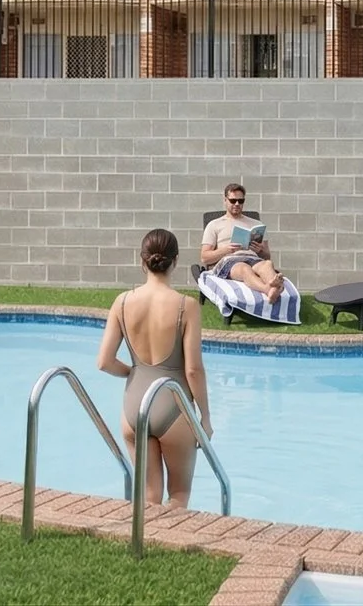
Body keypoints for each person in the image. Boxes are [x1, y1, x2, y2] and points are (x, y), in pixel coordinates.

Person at [97, 229, 210, 513]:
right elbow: (193, 370)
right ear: (175, 262)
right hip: (174, 406)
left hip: (135, 405)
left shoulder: (122, 302)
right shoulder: (187, 306)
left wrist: (133, 374)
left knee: (149, 497)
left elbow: (104, 362)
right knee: (179, 495)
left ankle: (147, 547)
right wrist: (205, 418)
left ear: (142, 261)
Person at [200, 182, 286, 299]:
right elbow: (205, 257)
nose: (237, 204)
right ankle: (268, 289)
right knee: (244, 268)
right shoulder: (214, 224)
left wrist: (259, 250)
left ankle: (274, 286)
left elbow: (267, 256)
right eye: (232, 200)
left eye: (240, 201)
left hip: (253, 258)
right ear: (225, 200)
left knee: (267, 264)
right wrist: (226, 250)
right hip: (230, 261)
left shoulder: (257, 224)